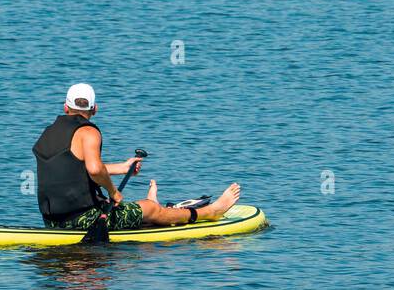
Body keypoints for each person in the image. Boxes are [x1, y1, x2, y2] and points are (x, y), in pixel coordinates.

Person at [32, 82, 240, 233]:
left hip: (52, 222)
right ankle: (211, 212)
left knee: (140, 214)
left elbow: (73, 167)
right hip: (85, 220)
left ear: (65, 107)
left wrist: (122, 168)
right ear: (95, 109)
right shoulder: (88, 132)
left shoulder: (47, 133)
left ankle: (158, 214)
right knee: (149, 209)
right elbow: (94, 170)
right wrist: (113, 192)